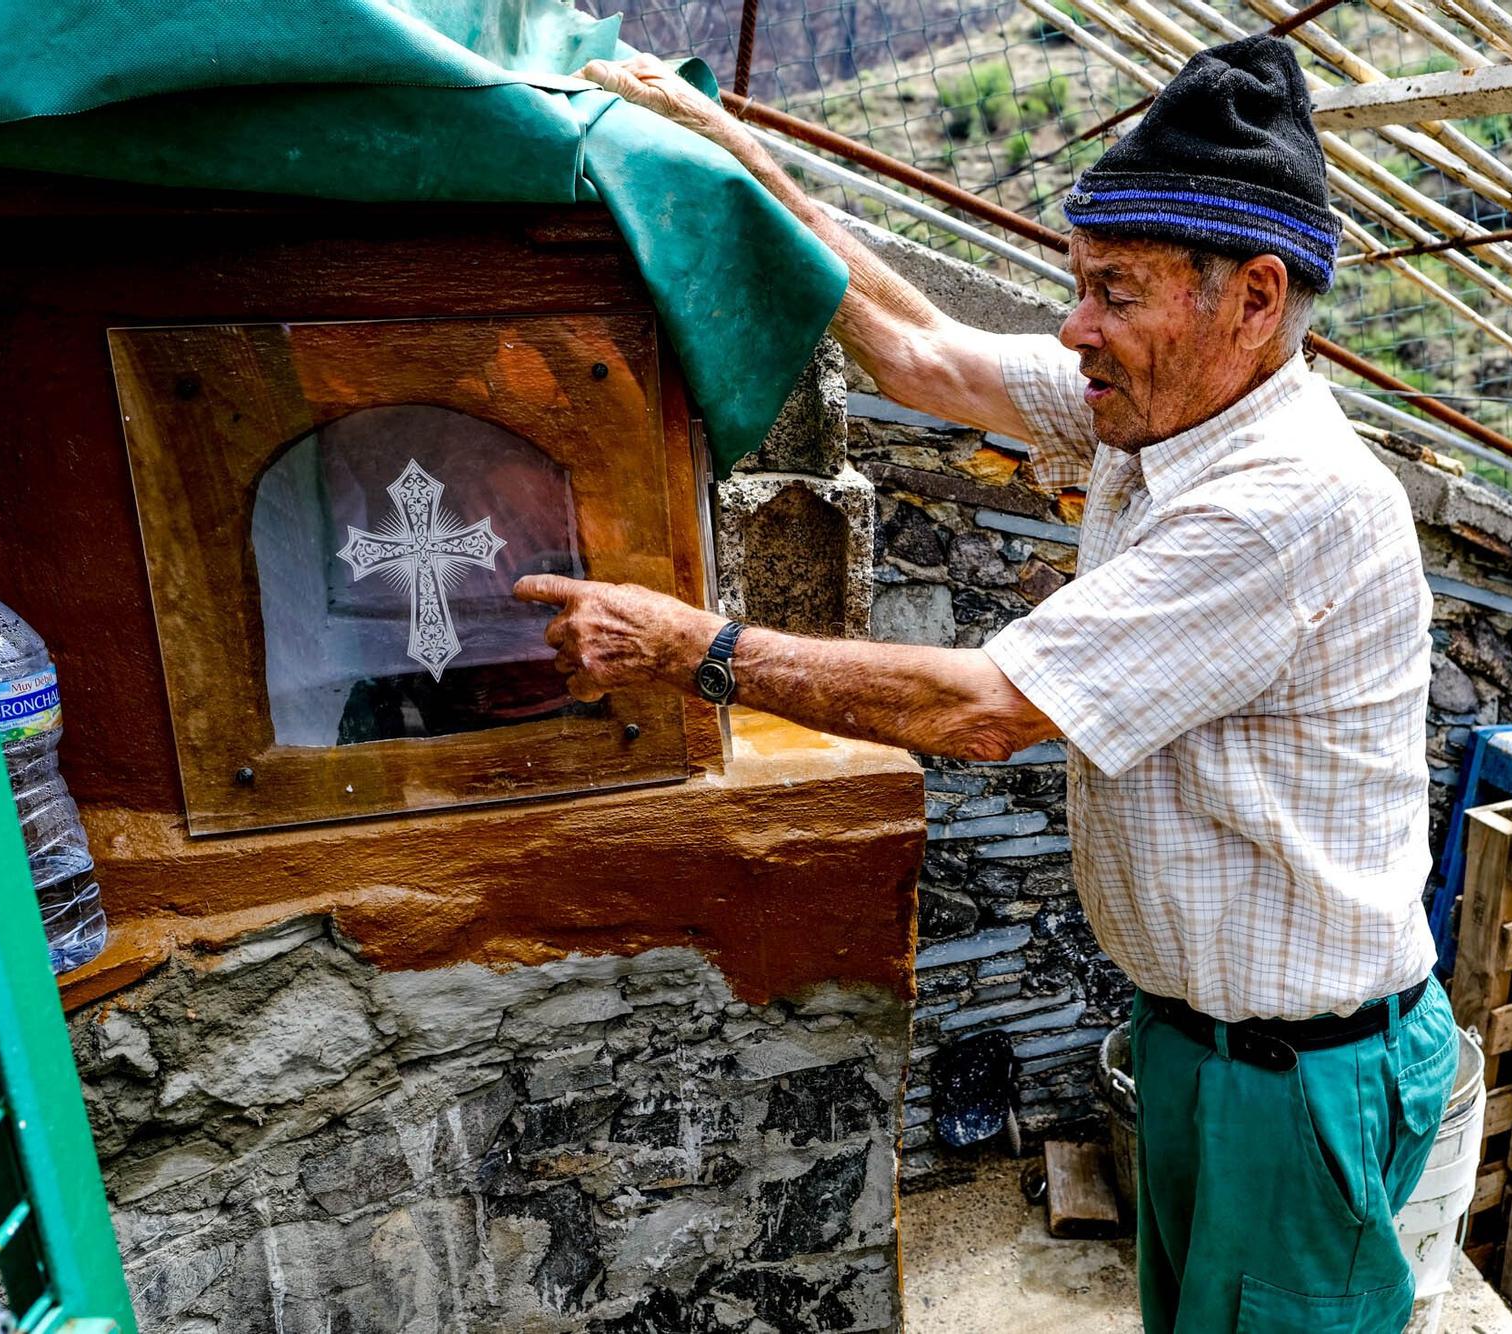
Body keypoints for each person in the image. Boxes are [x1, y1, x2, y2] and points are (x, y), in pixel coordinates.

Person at [514, 32, 1458, 1333]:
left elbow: (984, 706)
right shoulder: (1158, 408)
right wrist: (735, 151)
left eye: (1114, 293)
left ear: (1250, 300)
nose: (1076, 330)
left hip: (1297, 1083)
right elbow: (920, 352)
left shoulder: (1284, 504)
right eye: (1079, 287)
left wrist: (693, 649)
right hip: (1209, 1047)